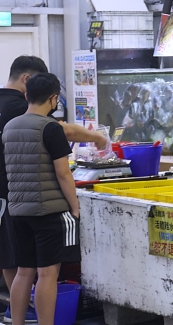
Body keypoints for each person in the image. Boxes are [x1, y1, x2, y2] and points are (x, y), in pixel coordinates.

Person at [0, 56, 107, 303]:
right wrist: (97, 138)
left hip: (14, 199)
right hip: (33, 201)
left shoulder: (10, 121)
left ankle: (18, 319)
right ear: (28, 81)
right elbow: (62, 168)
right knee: (46, 270)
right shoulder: (24, 111)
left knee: (11, 256)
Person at [2, 72, 91, 325]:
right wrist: (75, 208)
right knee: (47, 274)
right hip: (49, 211)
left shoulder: (10, 127)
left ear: (27, 95)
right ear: (54, 99)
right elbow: (64, 174)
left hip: (18, 211)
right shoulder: (50, 128)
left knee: (24, 272)